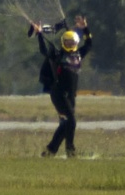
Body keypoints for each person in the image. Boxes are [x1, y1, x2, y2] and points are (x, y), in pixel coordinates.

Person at [33, 15, 92, 157]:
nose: (70, 44)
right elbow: (44, 51)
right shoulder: (58, 55)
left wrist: (85, 29)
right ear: (63, 42)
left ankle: (50, 151)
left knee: (65, 124)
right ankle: (70, 150)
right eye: (67, 41)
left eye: (72, 42)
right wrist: (39, 34)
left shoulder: (78, 54)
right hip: (59, 93)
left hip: (71, 95)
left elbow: (89, 44)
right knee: (71, 121)